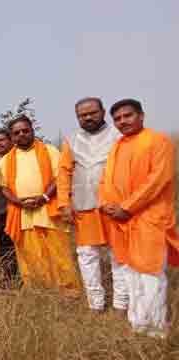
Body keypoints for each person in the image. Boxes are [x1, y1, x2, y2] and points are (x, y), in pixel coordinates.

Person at [99, 99, 179, 338]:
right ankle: (137, 326)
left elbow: (158, 180)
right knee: (131, 274)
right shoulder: (118, 145)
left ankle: (155, 332)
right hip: (123, 222)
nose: (123, 121)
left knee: (150, 275)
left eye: (128, 116)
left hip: (149, 220)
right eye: (118, 118)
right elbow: (106, 179)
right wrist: (106, 204)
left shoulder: (157, 141)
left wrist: (128, 207)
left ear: (141, 116)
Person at [0, 116, 81, 294]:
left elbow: (59, 177)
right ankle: (39, 293)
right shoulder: (6, 160)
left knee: (58, 254)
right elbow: (3, 187)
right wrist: (18, 202)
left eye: (25, 130)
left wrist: (43, 197)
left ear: (32, 130)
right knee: (30, 256)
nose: (21, 135)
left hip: (48, 209)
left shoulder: (49, 150)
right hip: (22, 213)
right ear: (11, 137)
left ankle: (69, 293)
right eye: (16, 133)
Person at [58, 97, 124, 313]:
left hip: (115, 207)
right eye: (82, 115)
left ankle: (121, 304)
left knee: (119, 256)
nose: (87, 117)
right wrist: (63, 204)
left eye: (92, 113)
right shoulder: (71, 139)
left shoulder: (119, 135)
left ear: (103, 111)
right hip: (83, 206)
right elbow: (64, 173)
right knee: (87, 256)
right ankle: (96, 305)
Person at [0, 128, 18, 286]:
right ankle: (10, 281)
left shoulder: (18, 157)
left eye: (1, 140)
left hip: (19, 209)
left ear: (10, 140)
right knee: (5, 248)